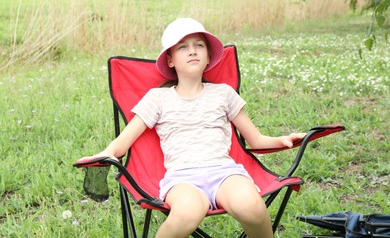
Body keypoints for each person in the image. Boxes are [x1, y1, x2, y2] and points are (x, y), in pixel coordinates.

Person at [76, 18, 305, 238]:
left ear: (208, 57)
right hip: (182, 178)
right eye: (183, 47)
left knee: (251, 207)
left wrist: (283, 139)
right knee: (187, 213)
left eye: (199, 45)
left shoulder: (223, 93)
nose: (192, 51)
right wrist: (105, 154)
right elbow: (122, 142)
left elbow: (255, 140)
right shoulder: (158, 98)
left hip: (225, 173)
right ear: (171, 60)